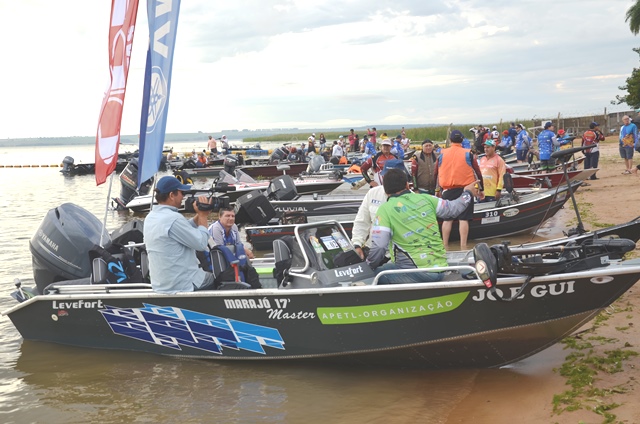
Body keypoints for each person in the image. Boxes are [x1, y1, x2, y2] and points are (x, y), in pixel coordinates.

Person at [367, 168, 479, 284]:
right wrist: (467, 193)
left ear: (385, 191)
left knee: (369, 275)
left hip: (415, 273)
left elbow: (379, 247)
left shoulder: (385, 209)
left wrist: (368, 265)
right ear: (407, 185)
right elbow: (453, 209)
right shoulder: (426, 199)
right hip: (440, 269)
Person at [143, 176, 215, 294]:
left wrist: (201, 213)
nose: (183, 197)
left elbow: (184, 230)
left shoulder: (150, 217)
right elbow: (202, 244)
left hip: (161, 285)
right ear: (172, 195)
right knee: (218, 277)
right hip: (182, 284)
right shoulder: (173, 218)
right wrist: (203, 216)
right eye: (181, 193)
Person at [434, 129, 484, 250]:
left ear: (450, 140)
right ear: (462, 140)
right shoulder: (469, 153)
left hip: (447, 190)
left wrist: (437, 190)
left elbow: (436, 173)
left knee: (447, 219)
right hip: (465, 189)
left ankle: (445, 245)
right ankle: (463, 246)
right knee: (463, 219)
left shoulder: (442, 154)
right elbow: (477, 172)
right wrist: (481, 188)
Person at [351, 161, 408, 260]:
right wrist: (357, 244)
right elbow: (362, 221)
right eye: (387, 177)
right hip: (372, 250)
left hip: (399, 255)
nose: (390, 181)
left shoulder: (412, 199)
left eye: (394, 178)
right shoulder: (372, 193)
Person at [208, 208, 261, 288]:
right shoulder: (215, 229)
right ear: (220, 217)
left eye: (233, 216)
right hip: (215, 260)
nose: (231, 218)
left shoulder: (234, 227)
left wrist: (247, 251)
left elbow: (238, 244)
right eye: (227, 216)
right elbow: (219, 250)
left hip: (229, 258)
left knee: (248, 267)